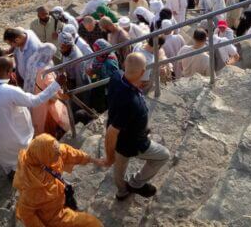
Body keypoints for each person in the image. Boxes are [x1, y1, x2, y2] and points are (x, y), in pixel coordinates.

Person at [0, 56, 63, 175]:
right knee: (22, 160)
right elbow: (35, 101)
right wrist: (56, 84)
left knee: (7, 163)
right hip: (13, 140)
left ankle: (11, 174)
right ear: (8, 72)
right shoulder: (10, 91)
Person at [105, 53, 171, 200]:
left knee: (119, 167)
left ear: (124, 66)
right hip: (133, 144)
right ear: (142, 72)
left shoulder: (116, 76)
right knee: (163, 155)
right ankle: (136, 183)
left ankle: (122, 192)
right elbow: (112, 132)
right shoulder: (133, 103)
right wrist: (108, 156)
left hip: (120, 138)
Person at [14, 134, 105, 227]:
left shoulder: (45, 153)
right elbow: (26, 213)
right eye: (56, 154)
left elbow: (68, 152)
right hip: (54, 215)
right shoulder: (31, 186)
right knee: (93, 224)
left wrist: (92, 159)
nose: (60, 154)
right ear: (45, 157)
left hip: (61, 200)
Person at [24, 42, 71, 137]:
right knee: (49, 123)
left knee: (38, 119)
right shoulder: (45, 70)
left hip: (36, 94)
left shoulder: (32, 62)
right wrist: (63, 94)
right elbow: (53, 85)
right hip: (46, 101)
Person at [88, 38, 120, 113]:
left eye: (97, 51)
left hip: (105, 92)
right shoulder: (104, 55)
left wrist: (92, 74)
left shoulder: (108, 64)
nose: (95, 54)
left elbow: (105, 82)